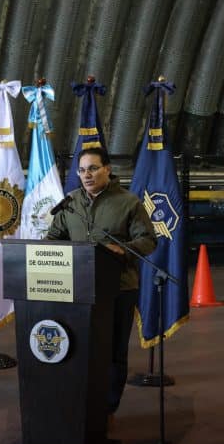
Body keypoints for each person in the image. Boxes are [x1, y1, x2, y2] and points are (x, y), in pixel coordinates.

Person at [45, 147, 156, 419]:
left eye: (93, 168)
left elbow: (148, 240)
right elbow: (54, 238)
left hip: (118, 289)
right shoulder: (70, 202)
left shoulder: (128, 203)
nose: (86, 175)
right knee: (79, 347)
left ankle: (108, 408)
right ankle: (80, 399)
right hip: (77, 290)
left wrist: (123, 250)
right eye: (82, 170)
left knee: (113, 351)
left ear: (107, 169)